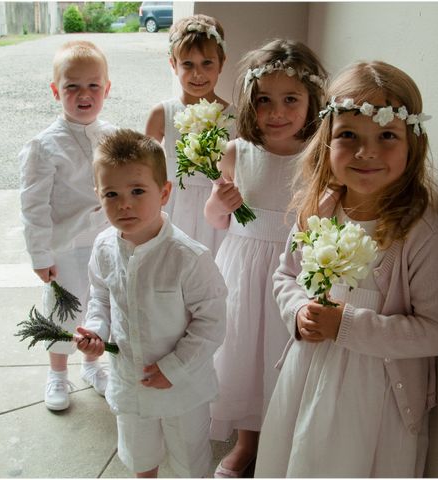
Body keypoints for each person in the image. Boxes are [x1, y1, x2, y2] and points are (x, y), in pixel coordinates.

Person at [254, 61, 438, 477]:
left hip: (375, 400)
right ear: (326, 142)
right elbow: (286, 275)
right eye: (348, 135)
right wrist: (297, 311)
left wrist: (344, 325)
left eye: (386, 135)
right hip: (307, 377)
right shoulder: (320, 211)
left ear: (412, 144)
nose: (367, 152)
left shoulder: (421, 236)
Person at [204, 39, 327, 477]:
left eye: (290, 99)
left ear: (313, 100)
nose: (276, 112)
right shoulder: (238, 153)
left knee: (284, 358)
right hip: (243, 269)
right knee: (244, 358)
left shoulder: (321, 157)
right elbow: (216, 221)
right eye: (264, 101)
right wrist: (222, 199)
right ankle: (247, 443)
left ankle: (284, 444)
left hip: (292, 275)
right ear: (248, 104)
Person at [75, 129, 227, 478]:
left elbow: (212, 321)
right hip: (130, 380)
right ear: (98, 196)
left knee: (189, 459)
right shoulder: (103, 247)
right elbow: (100, 296)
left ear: (164, 192)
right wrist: (96, 331)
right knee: (139, 456)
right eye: (111, 193)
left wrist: (173, 368)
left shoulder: (188, 257)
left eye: (137, 191)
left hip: (183, 387)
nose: (124, 203)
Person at [19, 40, 114, 411]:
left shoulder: (113, 134)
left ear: (106, 89)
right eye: (72, 86)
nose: (84, 94)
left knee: (99, 306)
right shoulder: (43, 146)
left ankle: (92, 363)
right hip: (66, 245)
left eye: (93, 86)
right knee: (65, 310)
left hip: (107, 240)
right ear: (56, 91)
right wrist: (40, 254)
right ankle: (58, 373)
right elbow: (34, 205)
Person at [145, 14, 235, 257]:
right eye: (188, 64)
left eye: (207, 63)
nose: (198, 74)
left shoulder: (235, 116)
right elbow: (145, 170)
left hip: (219, 212)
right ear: (173, 64)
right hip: (175, 209)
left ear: (222, 62)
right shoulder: (162, 114)